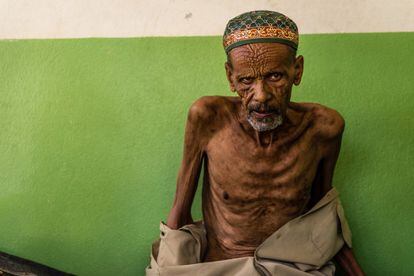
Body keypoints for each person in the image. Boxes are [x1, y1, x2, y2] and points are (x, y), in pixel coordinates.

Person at [147, 10, 364, 276]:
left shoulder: (323, 127)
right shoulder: (208, 117)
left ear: (297, 70)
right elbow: (179, 215)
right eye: (246, 80)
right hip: (221, 268)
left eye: (275, 77)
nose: (261, 96)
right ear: (230, 77)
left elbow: (324, 218)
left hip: (290, 269)